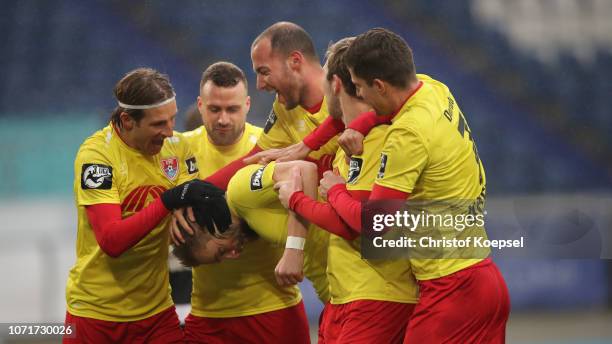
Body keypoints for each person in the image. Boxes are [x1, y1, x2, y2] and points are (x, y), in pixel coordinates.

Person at [316, 28, 510, 343]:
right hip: (486, 278)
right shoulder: (434, 89)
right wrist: (361, 126)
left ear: (379, 85)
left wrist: (335, 190)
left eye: (362, 87)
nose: (359, 96)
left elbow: (376, 225)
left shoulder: (407, 135)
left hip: (451, 289)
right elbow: (390, 111)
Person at [64, 68, 239, 344]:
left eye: (172, 119)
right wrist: (169, 200)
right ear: (127, 120)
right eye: (159, 124)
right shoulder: (97, 156)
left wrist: (254, 157)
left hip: (157, 314)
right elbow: (112, 241)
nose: (169, 131)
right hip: (96, 316)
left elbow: (194, 194)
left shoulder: (176, 147)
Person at [276, 37, 419, 344]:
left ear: (337, 84)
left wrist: (296, 200)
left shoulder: (379, 139)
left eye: (325, 77)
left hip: (379, 295)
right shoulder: (351, 141)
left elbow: (356, 226)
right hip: (346, 295)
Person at [179, 61, 311, 344]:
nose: (223, 119)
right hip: (207, 315)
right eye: (215, 109)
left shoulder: (270, 147)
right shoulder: (178, 151)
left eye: (232, 109)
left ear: (248, 105)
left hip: (274, 309)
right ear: (200, 105)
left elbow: (300, 201)